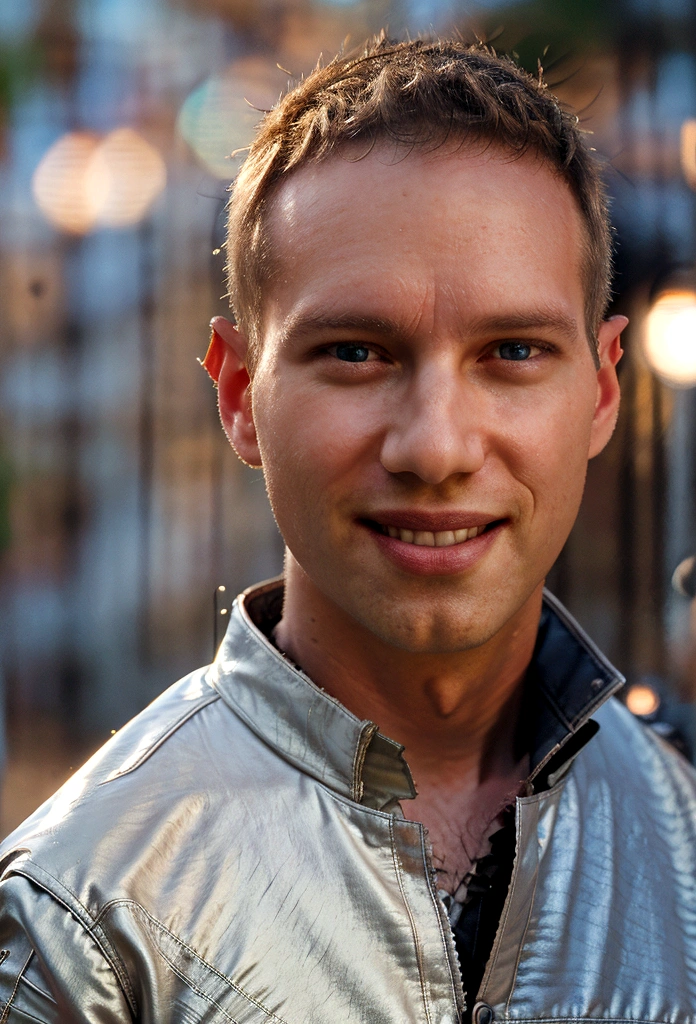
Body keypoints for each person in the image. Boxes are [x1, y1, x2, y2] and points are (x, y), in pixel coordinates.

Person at [0, 34, 694, 1024]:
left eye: (512, 350)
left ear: (600, 389)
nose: (436, 447)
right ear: (240, 393)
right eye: (359, 351)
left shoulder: (682, 836)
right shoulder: (84, 919)